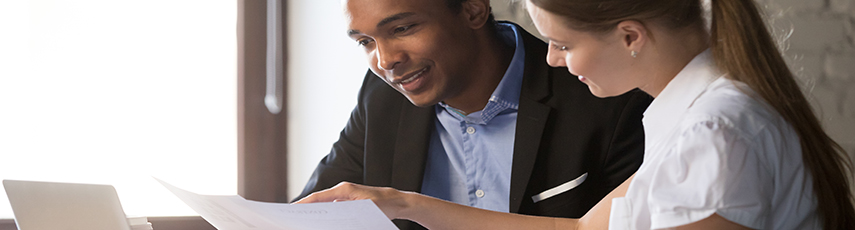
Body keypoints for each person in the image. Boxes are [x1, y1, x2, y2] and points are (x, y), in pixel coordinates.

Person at [296, 0, 855, 229]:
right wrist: (401, 203)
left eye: (561, 43)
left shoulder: (714, 134)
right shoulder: (693, 118)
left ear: (630, 36)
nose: (552, 59)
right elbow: (584, 229)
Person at [292, 0, 653, 229]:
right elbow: (312, 212)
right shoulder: (383, 98)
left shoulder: (605, 97)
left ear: (473, 9)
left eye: (402, 28)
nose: (385, 61)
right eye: (365, 42)